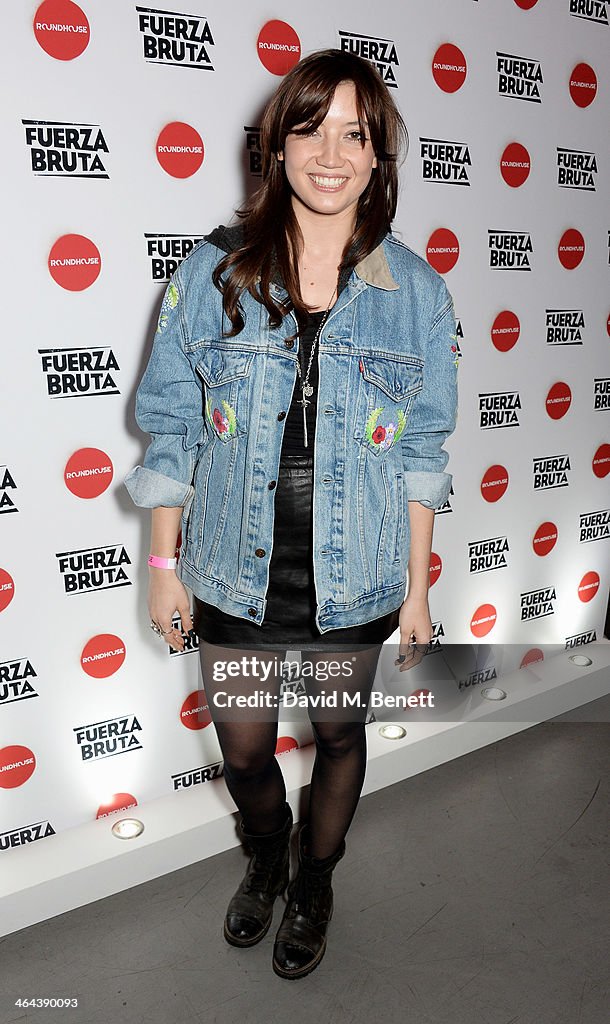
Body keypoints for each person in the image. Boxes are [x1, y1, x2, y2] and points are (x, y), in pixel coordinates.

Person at [125, 48, 458, 979]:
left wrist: (418, 590)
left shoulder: (419, 297)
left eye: (356, 133)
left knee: (340, 736)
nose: (331, 152)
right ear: (277, 144)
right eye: (311, 127)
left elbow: (425, 454)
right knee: (243, 752)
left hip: (357, 576)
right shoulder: (215, 271)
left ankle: (316, 876)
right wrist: (163, 568)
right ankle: (267, 852)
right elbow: (170, 425)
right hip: (232, 568)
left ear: (379, 157)